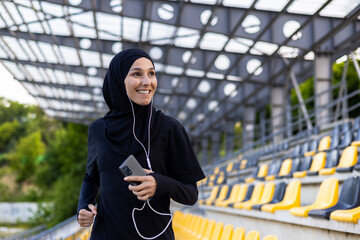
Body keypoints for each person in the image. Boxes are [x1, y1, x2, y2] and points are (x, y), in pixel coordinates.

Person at [77, 48, 205, 239]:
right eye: (137, 74)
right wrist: (84, 206)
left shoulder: (169, 128)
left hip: (155, 235)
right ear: (119, 80)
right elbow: (91, 177)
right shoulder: (98, 130)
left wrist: (158, 182)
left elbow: (190, 194)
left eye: (151, 73)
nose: (147, 82)